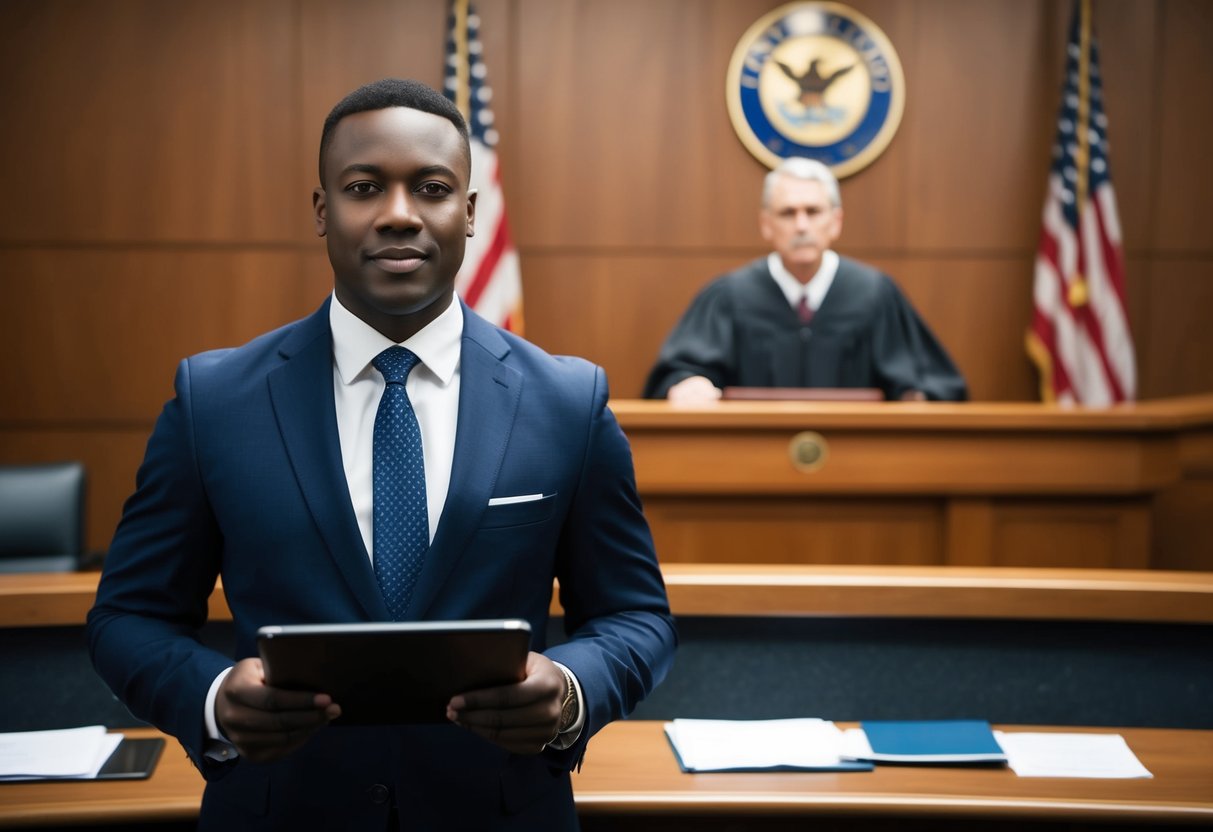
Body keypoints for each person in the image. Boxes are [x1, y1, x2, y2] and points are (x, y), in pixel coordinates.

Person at [87, 78, 676, 831]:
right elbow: (128, 615)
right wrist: (210, 698)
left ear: (468, 212)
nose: (398, 214)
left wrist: (568, 690)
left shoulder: (566, 400)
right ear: (323, 209)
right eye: (364, 186)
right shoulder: (216, 400)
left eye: (430, 188)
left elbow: (635, 616)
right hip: (280, 812)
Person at [643, 157, 967, 403]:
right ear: (766, 224)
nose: (801, 226)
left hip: (858, 474)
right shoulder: (729, 297)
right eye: (787, 213)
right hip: (750, 474)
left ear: (835, 221)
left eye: (813, 212)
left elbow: (934, 385)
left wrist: (918, 399)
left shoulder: (874, 295)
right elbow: (675, 376)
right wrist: (688, 384)